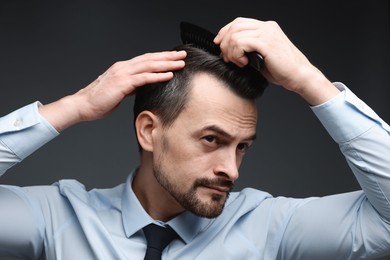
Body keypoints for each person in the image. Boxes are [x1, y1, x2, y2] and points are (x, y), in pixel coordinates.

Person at [0, 17, 389, 259]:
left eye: (242, 147)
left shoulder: (272, 227)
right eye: (211, 140)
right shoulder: (57, 218)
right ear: (149, 131)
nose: (231, 170)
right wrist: (76, 105)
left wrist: (309, 81)